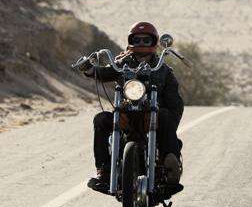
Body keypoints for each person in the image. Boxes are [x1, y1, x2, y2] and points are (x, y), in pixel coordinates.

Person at [79, 21, 184, 191]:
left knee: (165, 115)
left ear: (154, 41)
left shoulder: (163, 69)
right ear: (130, 41)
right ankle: (104, 171)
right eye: (137, 39)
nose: (141, 43)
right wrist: (90, 69)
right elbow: (105, 72)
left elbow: (176, 104)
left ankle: (169, 166)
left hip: (152, 117)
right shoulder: (121, 63)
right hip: (125, 115)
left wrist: (171, 126)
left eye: (146, 40)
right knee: (101, 119)